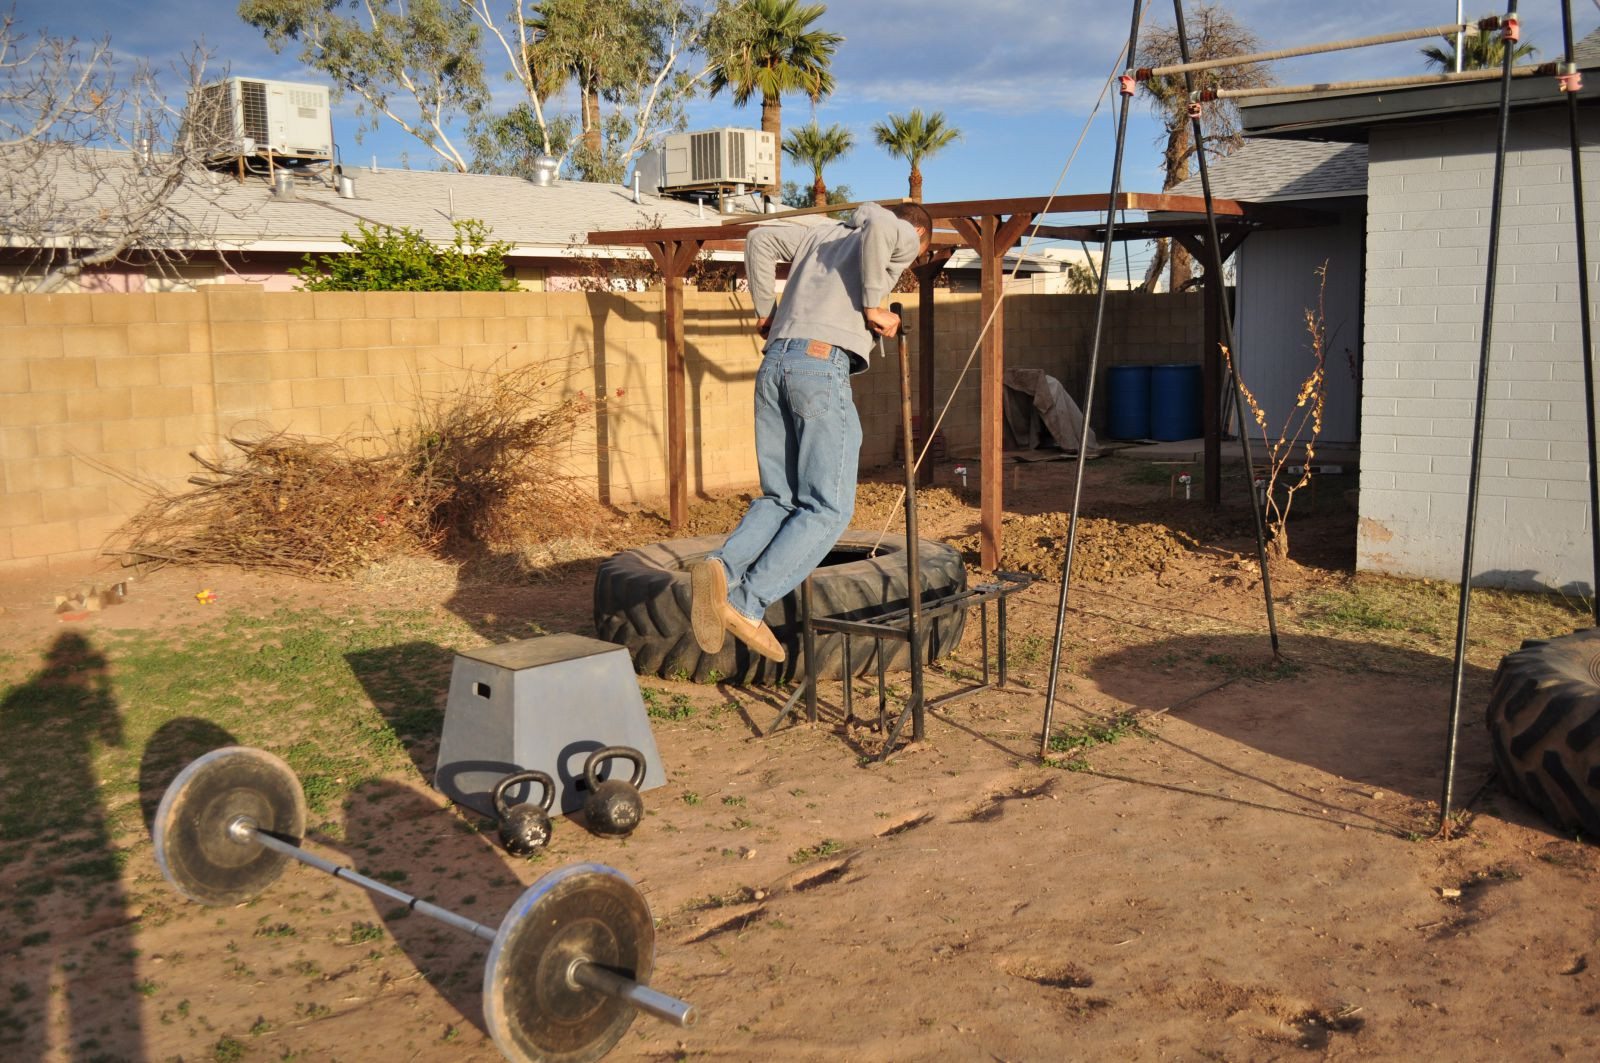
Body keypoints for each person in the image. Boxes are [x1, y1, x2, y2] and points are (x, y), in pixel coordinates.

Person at [690, 201, 932, 662]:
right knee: (828, 508)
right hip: (820, 366)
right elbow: (882, 223)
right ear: (919, 237)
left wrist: (767, 311)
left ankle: (722, 567)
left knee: (780, 498)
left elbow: (759, 239)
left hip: (775, 363)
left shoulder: (821, 234)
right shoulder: (899, 231)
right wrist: (875, 305)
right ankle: (747, 603)